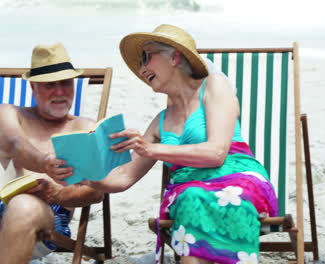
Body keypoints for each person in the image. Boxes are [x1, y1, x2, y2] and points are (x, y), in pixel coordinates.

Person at [84, 24, 278, 264]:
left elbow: (216, 153)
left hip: (239, 181)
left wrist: (151, 148)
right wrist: (83, 173)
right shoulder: (160, 122)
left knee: (199, 198)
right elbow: (123, 177)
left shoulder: (214, 86)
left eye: (146, 57)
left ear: (175, 56)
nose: (143, 68)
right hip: (191, 191)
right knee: (191, 197)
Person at [0, 43, 104, 263]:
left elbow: (96, 193)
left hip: (45, 216)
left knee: (22, 205)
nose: (59, 92)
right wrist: (44, 162)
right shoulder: (10, 113)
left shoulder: (85, 128)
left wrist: (57, 193)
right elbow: (15, 144)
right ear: (33, 88)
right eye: (49, 85)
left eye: (65, 83)